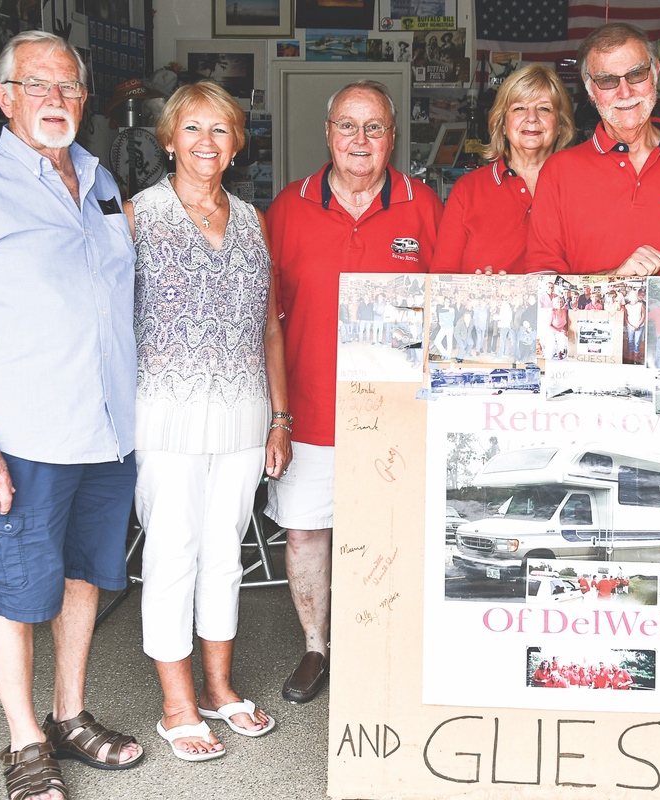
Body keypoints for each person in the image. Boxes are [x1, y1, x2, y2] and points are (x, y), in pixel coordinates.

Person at [0, 30, 143, 799]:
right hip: (19, 440)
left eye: (69, 88)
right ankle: (24, 742)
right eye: (37, 85)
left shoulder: (104, 181)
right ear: (4, 97)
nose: (56, 100)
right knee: (14, 591)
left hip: (107, 436)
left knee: (84, 580)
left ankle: (70, 716)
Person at [265, 80, 443, 705]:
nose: (360, 140)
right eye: (348, 126)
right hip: (310, 408)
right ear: (328, 133)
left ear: (393, 137)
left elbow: (445, 308)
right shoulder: (288, 206)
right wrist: (277, 415)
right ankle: (318, 647)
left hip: (399, 413)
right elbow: (265, 319)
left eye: (374, 128)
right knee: (308, 532)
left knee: (400, 529)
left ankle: (385, 642)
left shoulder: (425, 206)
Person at [127, 81, 286, 761]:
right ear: (168, 139)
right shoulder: (137, 216)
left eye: (220, 130)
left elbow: (270, 329)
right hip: (165, 412)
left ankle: (220, 688)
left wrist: (280, 416)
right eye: (191, 129)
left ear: (236, 143)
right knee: (173, 554)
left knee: (226, 552)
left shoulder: (253, 219)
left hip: (245, 412)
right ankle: (176, 704)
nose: (205, 143)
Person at [527, 22, 660, 280]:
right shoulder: (559, 170)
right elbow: (542, 281)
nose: (625, 92)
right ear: (590, 90)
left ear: (655, 72)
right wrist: (615, 279)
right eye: (607, 80)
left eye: (636, 74)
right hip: (592, 321)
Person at [431, 64, 574, 273]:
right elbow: (441, 279)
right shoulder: (468, 190)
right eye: (519, 108)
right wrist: (477, 291)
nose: (531, 117)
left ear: (561, 124)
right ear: (503, 125)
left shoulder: (581, 185)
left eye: (544, 108)